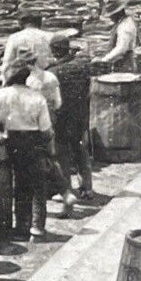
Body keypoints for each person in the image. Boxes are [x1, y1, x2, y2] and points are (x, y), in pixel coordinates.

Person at [0, 59, 54, 241]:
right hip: (34, 141)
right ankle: (37, 228)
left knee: (19, 184)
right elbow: (46, 130)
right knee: (37, 185)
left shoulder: (2, 95)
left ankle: (21, 227)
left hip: (13, 142)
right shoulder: (37, 97)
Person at [25, 56, 74, 217]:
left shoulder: (29, 81)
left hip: (33, 125)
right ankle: (66, 193)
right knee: (51, 158)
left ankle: (37, 212)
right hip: (50, 119)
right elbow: (58, 103)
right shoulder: (51, 77)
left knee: (35, 164)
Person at [48, 34, 94, 201]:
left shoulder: (54, 72)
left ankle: (65, 189)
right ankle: (87, 188)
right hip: (80, 115)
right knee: (80, 150)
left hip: (63, 117)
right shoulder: (82, 67)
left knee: (62, 153)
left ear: (54, 51)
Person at [94, 0, 141, 74]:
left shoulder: (125, 26)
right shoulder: (124, 22)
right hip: (122, 61)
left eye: (112, 15)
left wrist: (104, 60)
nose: (111, 18)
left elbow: (121, 48)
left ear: (118, 14)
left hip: (125, 63)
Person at [1, 11, 51, 76]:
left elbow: (7, 63)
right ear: (40, 23)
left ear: (21, 24)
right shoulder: (50, 36)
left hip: (23, 79)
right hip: (47, 78)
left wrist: (5, 83)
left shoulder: (14, 38)